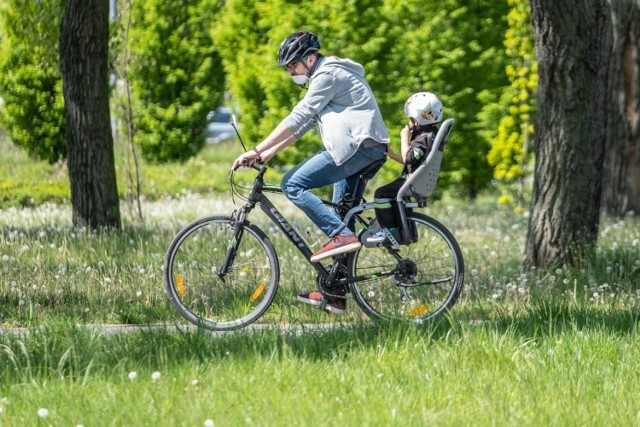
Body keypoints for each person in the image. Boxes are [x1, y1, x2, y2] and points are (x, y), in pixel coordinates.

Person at [232, 30, 389, 314]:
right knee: (343, 213)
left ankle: (340, 235)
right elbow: (303, 126)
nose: (290, 70)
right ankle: (336, 294)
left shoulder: (327, 75)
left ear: (310, 58)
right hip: (365, 149)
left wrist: (255, 148)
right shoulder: (327, 75)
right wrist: (267, 153)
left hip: (358, 149)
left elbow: (299, 115)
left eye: (293, 64)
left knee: (292, 184)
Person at [367, 92, 443, 245]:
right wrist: (392, 154)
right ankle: (407, 233)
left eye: (410, 119)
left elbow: (408, 157)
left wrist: (404, 136)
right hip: (416, 178)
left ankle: (389, 232)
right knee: (393, 197)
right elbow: (411, 159)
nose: (409, 123)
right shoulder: (431, 134)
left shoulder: (422, 138)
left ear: (417, 119)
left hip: (412, 180)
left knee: (381, 194)